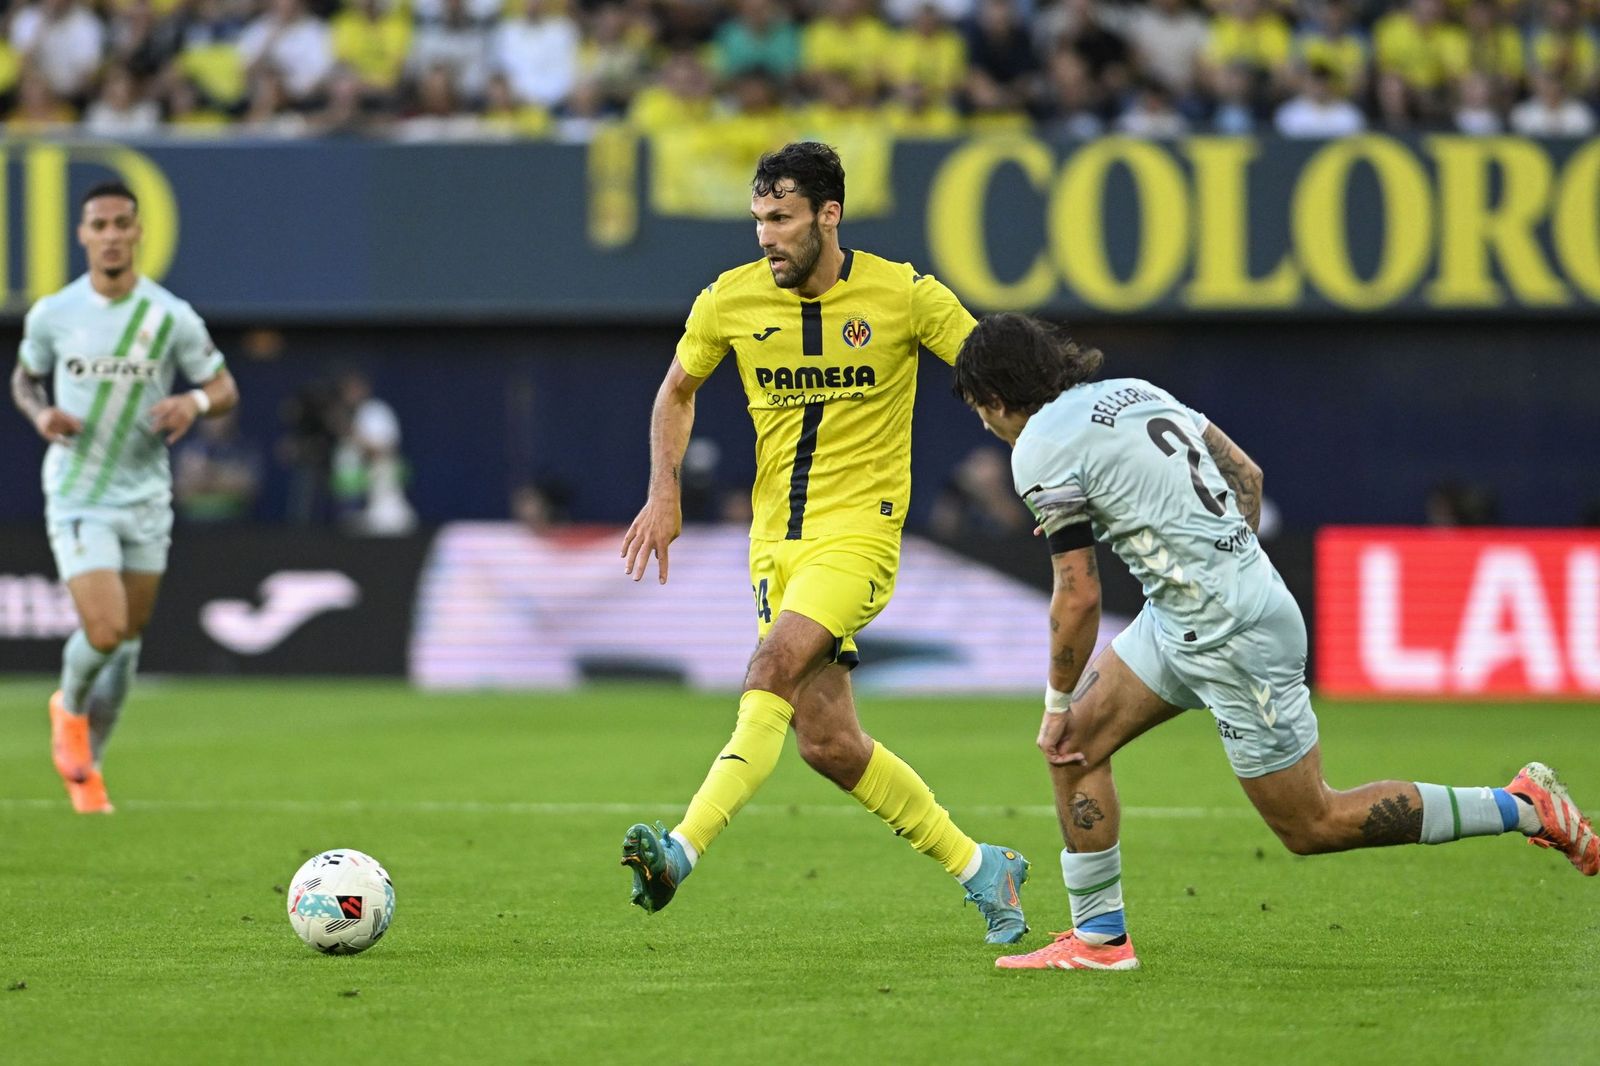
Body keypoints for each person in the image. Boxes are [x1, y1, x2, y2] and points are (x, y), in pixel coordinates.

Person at [948, 313, 1597, 971]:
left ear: (996, 399)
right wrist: (1225, 564)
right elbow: (1247, 475)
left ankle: (1522, 807)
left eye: (979, 410)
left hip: (1231, 634)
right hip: (1188, 615)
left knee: (1312, 823)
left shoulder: (1038, 447)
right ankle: (1100, 940)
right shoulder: (1135, 392)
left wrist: (1056, 698)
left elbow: (1078, 595)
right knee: (1074, 746)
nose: (986, 425)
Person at [618, 142, 1030, 943]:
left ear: (828, 215)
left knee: (770, 667)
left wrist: (1047, 471)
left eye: (782, 218)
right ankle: (985, 869)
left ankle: (680, 852)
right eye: (758, 219)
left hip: (858, 537)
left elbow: (993, 381)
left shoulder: (904, 295)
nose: (766, 236)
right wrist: (663, 490)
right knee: (829, 744)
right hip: (774, 545)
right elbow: (676, 391)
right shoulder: (728, 301)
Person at [10, 181, 239, 814]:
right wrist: (40, 414)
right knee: (105, 629)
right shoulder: (54, 313)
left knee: (128, 640)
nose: (110, 235)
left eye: (121, 224)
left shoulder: (170, 316)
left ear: (138, 232)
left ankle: (90, 772)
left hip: (145, 496)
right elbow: (25, 379)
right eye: (99, 224)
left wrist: (193, 401)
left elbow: (224, 387)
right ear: (83, 235)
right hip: (78, 491)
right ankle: (68, 706)